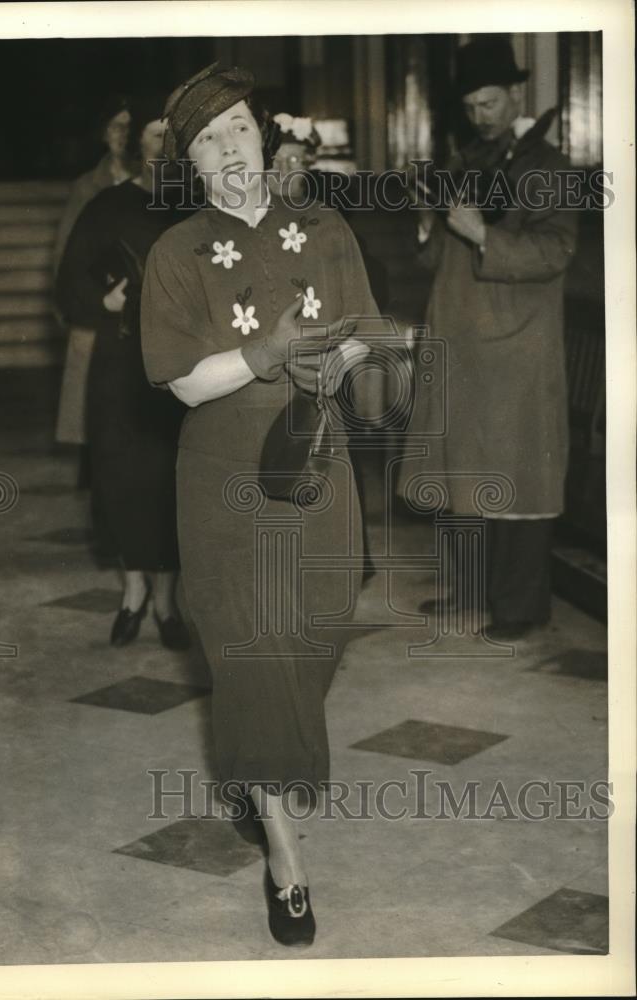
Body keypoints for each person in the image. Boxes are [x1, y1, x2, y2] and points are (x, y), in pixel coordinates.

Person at [140, 63, 384, 946]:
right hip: (224, 478)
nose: (228, 149)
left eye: (237, 128)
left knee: (314, 631)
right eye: (207, 141)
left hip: (315, 462)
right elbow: (179, 384)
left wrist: (336, 362)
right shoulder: (175, 255)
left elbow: (367, 330)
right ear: (192, 166)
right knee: (251, 651)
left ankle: (258, 772)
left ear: (264, 137)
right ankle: (285, 855)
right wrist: (267, 355)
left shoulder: (325, 227)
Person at [397, 37, 577, 641]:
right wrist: (431, 225)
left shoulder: (546, 167)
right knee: (460, 472)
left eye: (491, 102)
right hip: (459, 340)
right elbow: (432, 262)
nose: (481, 115)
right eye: (472, 105)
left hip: (514, 346)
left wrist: (480, 235)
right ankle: (472, 592)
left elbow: (554, 251)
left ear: (516, 94)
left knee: (516, 473)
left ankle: (519, 608)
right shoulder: (467, 159)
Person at [56, 108, 191, 651]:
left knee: (173, 482)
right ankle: (133, 592)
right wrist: (102, 300)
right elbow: (68, 287)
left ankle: (167, 599)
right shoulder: (107, 205)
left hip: (182, 369)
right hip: (119, 369)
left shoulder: (195, 206)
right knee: (121, 479)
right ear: (138, 145)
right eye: (153, 137)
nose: (162, 147)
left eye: (170, 138)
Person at [53, 98, 134, 452]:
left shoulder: (150, 181)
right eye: (115, 127)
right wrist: (71, 301)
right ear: (103, 134)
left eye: (129, 127)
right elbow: (65, 254)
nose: (122, 135)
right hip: (99, 295)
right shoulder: (87, 186)